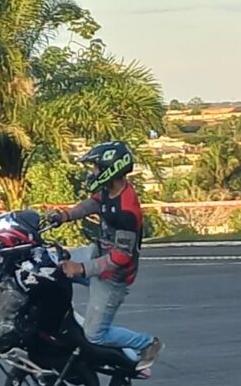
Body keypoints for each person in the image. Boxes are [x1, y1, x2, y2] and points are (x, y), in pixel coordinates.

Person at [48, 141, 163, 371]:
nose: (93, 172)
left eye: (96, 167)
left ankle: (147, 344)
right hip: (98, 253)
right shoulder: (109, 191)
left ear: (111, 169)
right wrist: (65, 215)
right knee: (49, 264)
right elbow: (94, 203)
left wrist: (81, 268)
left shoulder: (127, 210)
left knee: (95, 335)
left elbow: (121, 256)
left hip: (113, 278)